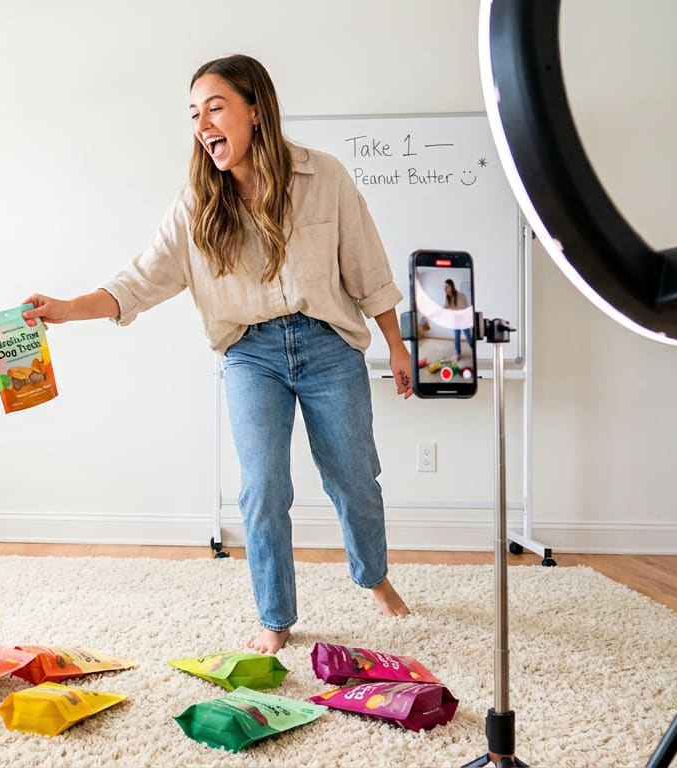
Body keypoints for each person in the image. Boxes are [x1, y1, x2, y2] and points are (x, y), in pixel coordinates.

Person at [22, 54, 411, 655]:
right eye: (194, 113)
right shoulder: (197, 204)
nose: (203, 123)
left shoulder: (325, 177)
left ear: (255, 110)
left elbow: (367, 265)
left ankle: (374, 577)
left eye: (215, 107)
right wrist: (65, 308)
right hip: (250, 355)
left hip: (328, 345)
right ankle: (276, 615)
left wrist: (396, 342)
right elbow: (138, 281)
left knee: (354, 476)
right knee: (261, 487)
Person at [444, 279, 474, 358]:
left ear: (452, 286)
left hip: (464, 320)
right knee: (456, 339)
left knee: (469, 338)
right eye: (444, 287)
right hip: (456, 321)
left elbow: (462, 309)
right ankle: (458, 354)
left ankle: (475, 350)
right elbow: (445, 307)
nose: (445, 289)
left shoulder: (460, 295)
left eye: (447, 287)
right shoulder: (447, 298)